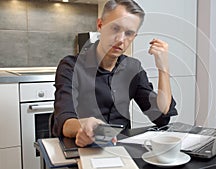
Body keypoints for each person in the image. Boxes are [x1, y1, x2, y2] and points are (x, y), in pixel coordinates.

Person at [53, 0, 177, 147]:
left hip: (121, 149)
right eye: (115, 28)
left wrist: (164, 68)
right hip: (83, 148)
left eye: (129, 33)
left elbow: (160, 117)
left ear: (134, 37)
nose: (120, 40)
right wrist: (83, 126)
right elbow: (64, 119)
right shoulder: (71, 66)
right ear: (100, 25)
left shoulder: (133, 68)